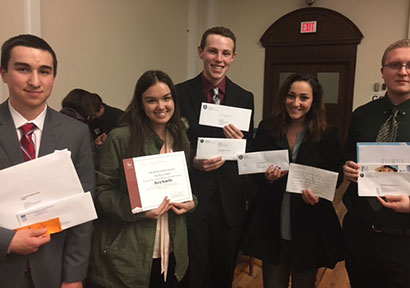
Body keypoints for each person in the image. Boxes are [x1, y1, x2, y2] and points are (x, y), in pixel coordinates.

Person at [0, 35, 94, 287]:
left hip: (54, 271)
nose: (35, 81)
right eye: (23, 69)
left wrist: (75, 276)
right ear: (4, 74)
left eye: (44, 71)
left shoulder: (76, 133)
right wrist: (6, 241)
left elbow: (83, 210)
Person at [87, 70, 196, 288]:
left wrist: (192, 201)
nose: (161, 106)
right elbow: (101, 192)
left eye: (166, 98)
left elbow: (183, 184)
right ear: (140, 104)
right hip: (130, 251)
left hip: (172, 247)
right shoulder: (120, 137)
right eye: (151, 100)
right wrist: (139, 210)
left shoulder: (179, 136)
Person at [343, 39, 410, 287]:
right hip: (361, 235)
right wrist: (347, 167)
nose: (402, 71)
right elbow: (348, 154)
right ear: (383, 71)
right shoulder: (362, 114)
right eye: (394, 65)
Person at [242, 74, 344, 287]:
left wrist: (318, 194)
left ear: (314, 101)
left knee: (304, 283)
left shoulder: (327, 133)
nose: (296, 103)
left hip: (309, 222)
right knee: (273, 282)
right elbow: (254, 170)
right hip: (273, 221)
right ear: (283, 98)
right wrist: (266, 178)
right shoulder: (267, 128)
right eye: (291, 96)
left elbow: (336, 176)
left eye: (304, 98)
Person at [176, 26, 254, 288]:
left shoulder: (245, 97)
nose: (219, 59)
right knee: (192, 272)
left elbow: (249, 150)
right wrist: (192, 161)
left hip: (229, 201)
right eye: (213, 51)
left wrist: (241, 143)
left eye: (225, 53)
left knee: (224, 271)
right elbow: (168, 146)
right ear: (201, 52)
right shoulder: (177, 93)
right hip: (193, 197)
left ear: (233, 57)